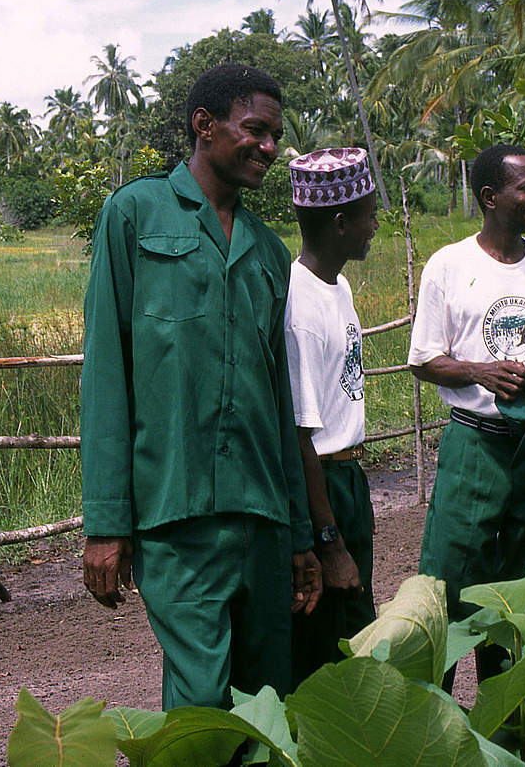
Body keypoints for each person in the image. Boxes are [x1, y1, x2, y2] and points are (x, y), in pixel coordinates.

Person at [80, 63, 322, 709]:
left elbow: (280, 403)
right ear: (204, 126)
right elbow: (106, 374)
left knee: (266, 701)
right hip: (175, 518)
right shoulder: (134, 215)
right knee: (201, 702)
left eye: (275, 135)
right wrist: (106, 524)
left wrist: (300, 536)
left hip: (264, 522)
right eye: (256, 131)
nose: (270, 147)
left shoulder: (269, 252)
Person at [408, 144, 525, 680]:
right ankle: (430, 710)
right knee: (449, 575)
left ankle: (504, 720)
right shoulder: (449, 264)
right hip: (474, 444)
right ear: (489, 197)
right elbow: (424, 361)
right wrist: (480, 372)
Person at [284, 147, 380, 685]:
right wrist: (330, 543)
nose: (374, 226)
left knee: (354, 628)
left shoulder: (337, 287)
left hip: (347, 477)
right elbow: (302, 439)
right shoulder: (301, 307)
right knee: (328, 646)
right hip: (322, 485)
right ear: (341, 222)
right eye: (368, 214)